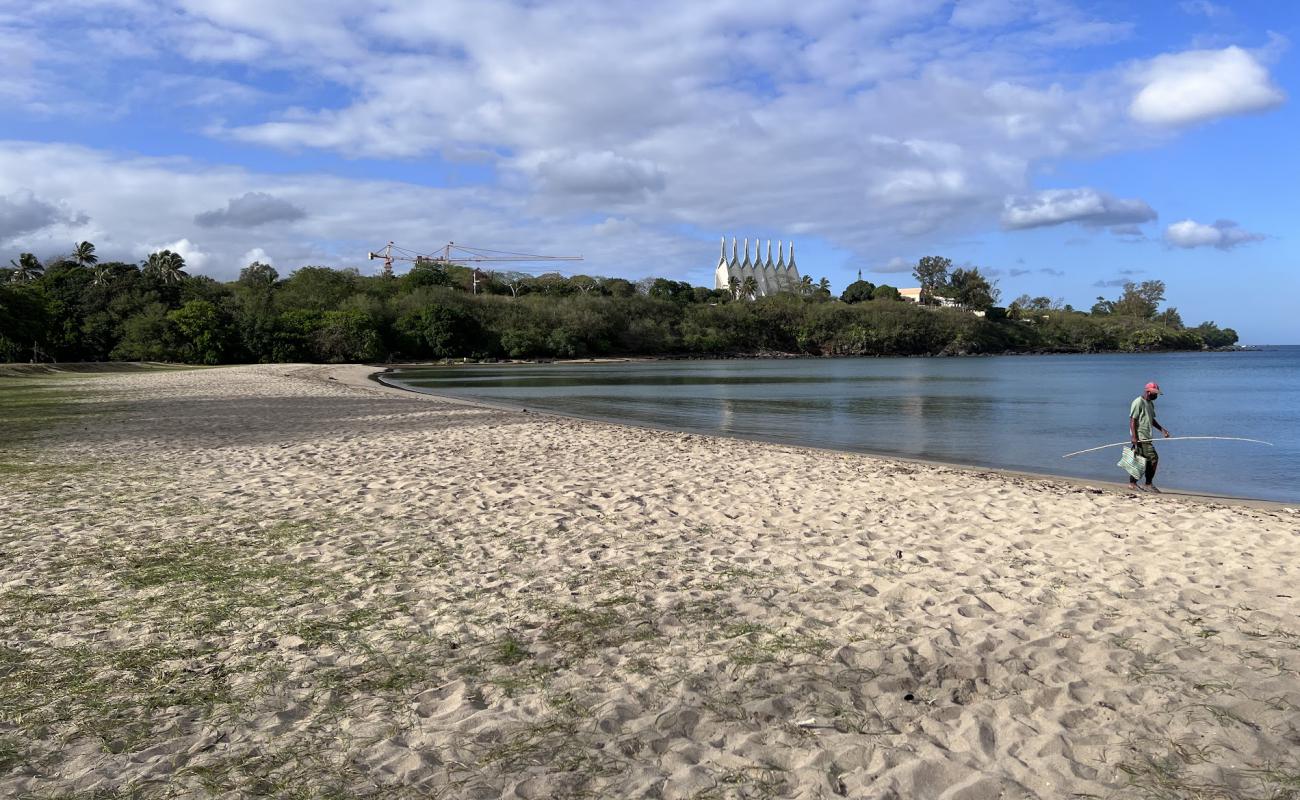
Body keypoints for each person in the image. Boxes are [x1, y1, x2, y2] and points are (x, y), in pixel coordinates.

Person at [1129, 381, 1171, 492]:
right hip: (1141, 437)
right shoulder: (1138, 402)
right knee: (1153, 458)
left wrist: (1162, 430)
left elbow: (1151, 419)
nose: (1156, 396)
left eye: (1157, 393)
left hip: (1147, 436)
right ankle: (1147, 484)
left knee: (1142, 460)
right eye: (1154, 393)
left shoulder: (1150, 404)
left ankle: (1133, 483)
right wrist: (1134, 437)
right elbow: (1133, 420)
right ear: (1148, 392)